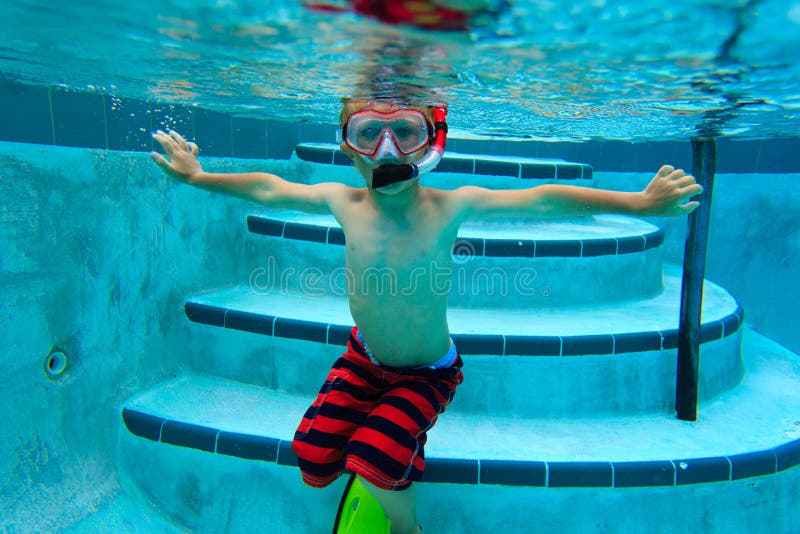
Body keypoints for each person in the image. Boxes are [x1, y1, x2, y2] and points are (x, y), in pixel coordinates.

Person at [151, 98, 702, 534]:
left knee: (371, 456)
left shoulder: (449, 206)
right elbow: (270, 188)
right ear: (349, 147)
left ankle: (408, 523)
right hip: (363, 358)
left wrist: (637, 204)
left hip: (427, 371)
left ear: (427, 144)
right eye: (369, 132)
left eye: (405, 132)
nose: (387, 145)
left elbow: (541, 200)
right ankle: (394, 448)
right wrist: (200, 178)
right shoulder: (344, 201)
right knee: (315, 458)